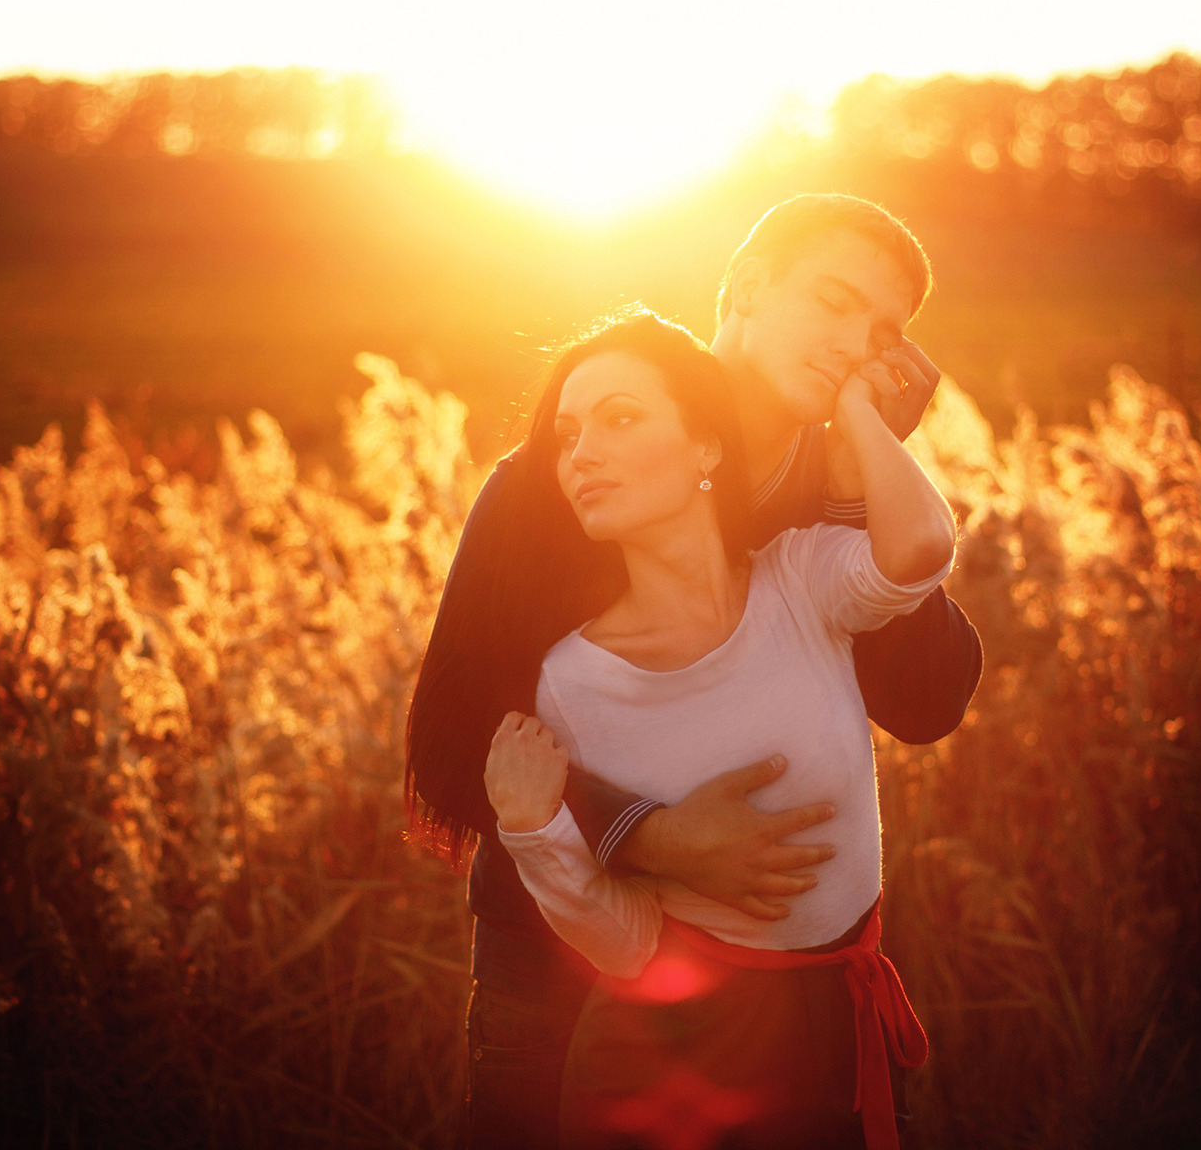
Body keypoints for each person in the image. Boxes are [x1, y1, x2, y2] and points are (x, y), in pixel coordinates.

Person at [403, 195, 983, 1147]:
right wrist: (653, 836)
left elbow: (926, 703)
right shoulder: (561, 480)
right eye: (833, 301)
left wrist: (865, 472)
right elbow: (456, 743)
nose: (855, 344)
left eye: (881, 331)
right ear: (749, 284)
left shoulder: (838, 479)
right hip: (562, 977)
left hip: (791, 988)